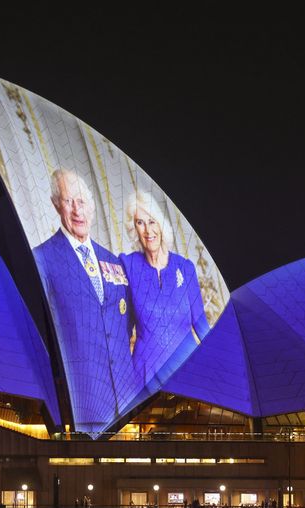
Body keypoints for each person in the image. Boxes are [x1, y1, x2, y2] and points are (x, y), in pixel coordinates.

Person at [32, 168, 137, 433]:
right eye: (69, 201)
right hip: (82, 405)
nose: (77, 210)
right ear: (57, 205)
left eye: (82, 202)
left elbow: (125, 328)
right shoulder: (42, 259)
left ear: (92, 207)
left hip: (127, 405)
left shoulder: (113, 261)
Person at [119, 192, 210, 395]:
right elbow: (124, 328)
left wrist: (218, 363)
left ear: (161, 224)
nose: (148, 230)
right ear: (134, 229)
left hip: (187, 372)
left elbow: (201, 324)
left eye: (152, 221)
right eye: (140, 223)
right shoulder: (128, 265)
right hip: (145, 379)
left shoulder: (185, 268)